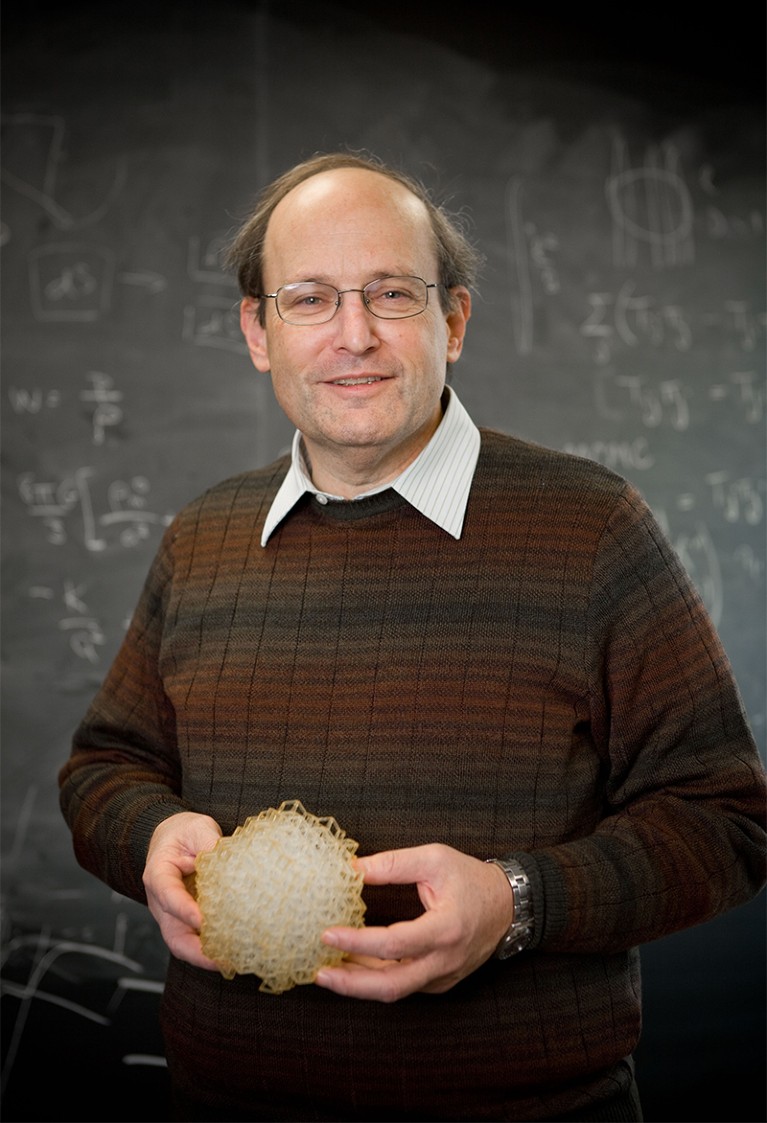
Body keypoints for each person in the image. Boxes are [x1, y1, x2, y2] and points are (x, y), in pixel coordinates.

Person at [59, 150, 766, 1123]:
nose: (354, 335)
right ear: (257, 333)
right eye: (308, 299)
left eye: (390, 293)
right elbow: (104, 768)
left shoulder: (591, 528)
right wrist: (148, 833)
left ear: (454, 319)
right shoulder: (200, 539)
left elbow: (725, 821)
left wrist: (517, 904)